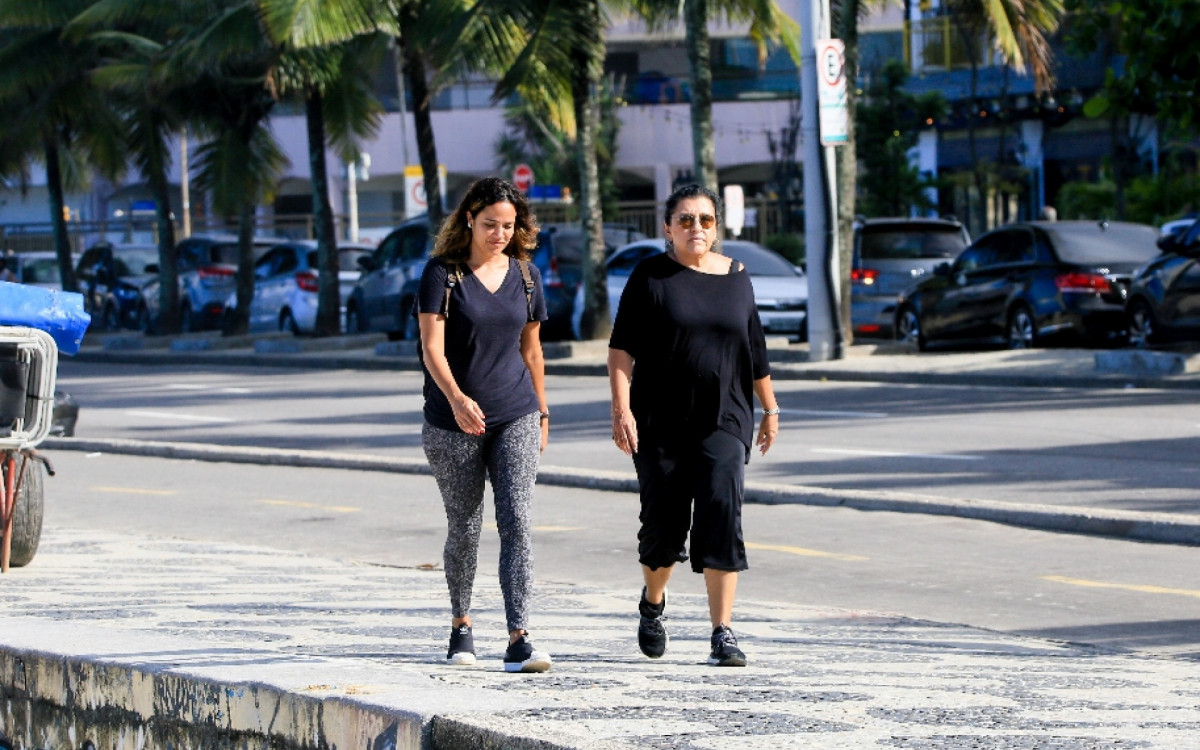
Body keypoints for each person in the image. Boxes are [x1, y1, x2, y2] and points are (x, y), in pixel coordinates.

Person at [607, 183, 780, 668]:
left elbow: (755, 349)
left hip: (724, 417)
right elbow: (621, 350)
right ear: (667, 227)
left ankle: (722, 631)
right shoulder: (650, 277)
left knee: (722, 514)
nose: (696, 228)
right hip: (659, 421)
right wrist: (621, 409)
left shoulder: (737, 277)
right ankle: (654, 602)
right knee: (663, 531)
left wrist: (770, 409)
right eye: (685, 220)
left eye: (705, 220)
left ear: (716, 227)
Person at [415, 176, 553, 673]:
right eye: (490, 224)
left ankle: (519, 637)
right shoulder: (442, 274)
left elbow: (531, 350)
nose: (499, 234)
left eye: (508, 226)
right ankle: (461, 626)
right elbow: (432, 347)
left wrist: (541, 411)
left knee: (517, 521)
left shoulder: (527, 276)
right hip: (453, 420)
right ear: (469, 218)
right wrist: (456, 399)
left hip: (514, 412)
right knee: (466, 527)